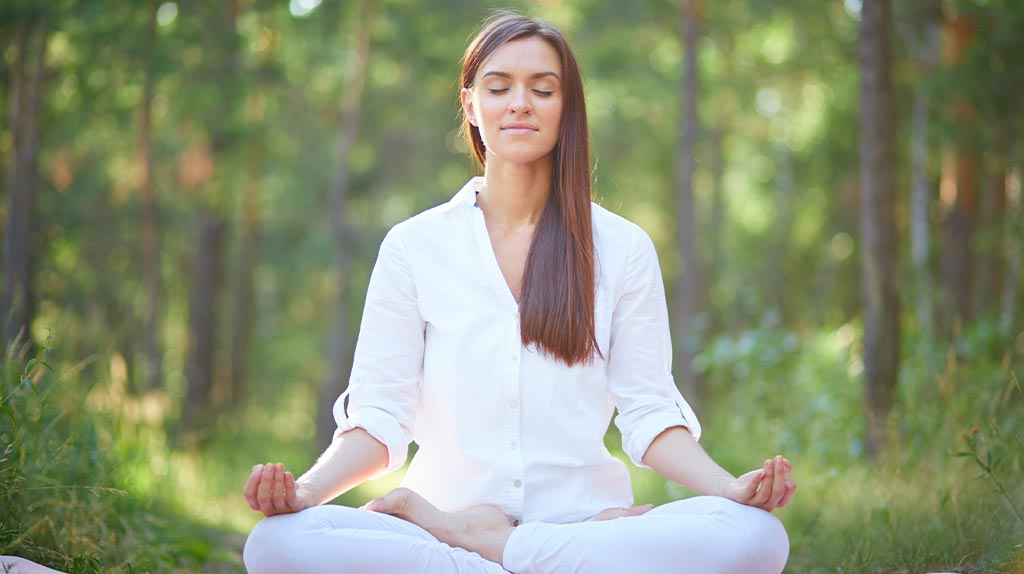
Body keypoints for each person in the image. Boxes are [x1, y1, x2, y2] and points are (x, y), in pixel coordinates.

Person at [242, 11, 795, 574]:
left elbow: (648, 413)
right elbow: (381, 415)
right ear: (470, 106)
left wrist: (730, 487)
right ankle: (504, 553)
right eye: (499, 87)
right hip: (445, 532)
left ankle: (495, 551)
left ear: (567, 107)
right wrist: (307, 492)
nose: (519, 103)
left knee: (754, 538)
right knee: (275, 547)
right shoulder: (415, 246)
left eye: (543, 89)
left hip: (581, 523)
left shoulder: (622, 248)